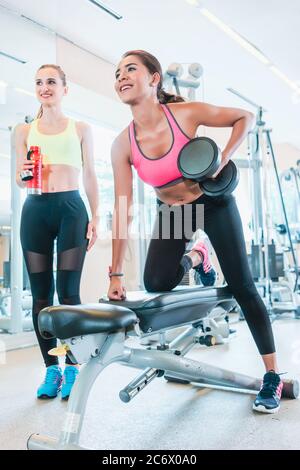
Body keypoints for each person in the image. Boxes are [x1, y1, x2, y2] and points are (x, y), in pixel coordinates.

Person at [108, 50, 283, 414]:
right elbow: (122, 207)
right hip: (174, 212)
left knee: (243, 286)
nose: (121, 76)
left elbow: (244, 117)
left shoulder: (184, 114)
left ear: (154, 79)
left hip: (212, 202)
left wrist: (222, 158)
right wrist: (115, 273)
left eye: (131, 69)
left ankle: (272, 376)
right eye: (117, 72)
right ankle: (197, 256)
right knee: (157, 281)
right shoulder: (123, 143)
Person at [15, 64, 99, 400]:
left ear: (65, 88)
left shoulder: (80, 128)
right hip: (35, 209)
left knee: (68, 294)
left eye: (51, 82)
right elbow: (20, 180)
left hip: (71, 210)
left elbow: (91, 174)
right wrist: (22, 174)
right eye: (39, 82)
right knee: (40, 297)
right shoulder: (23, 132)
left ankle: (73, 368)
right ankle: (51, 370)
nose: (44, 87)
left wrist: (96, 217)